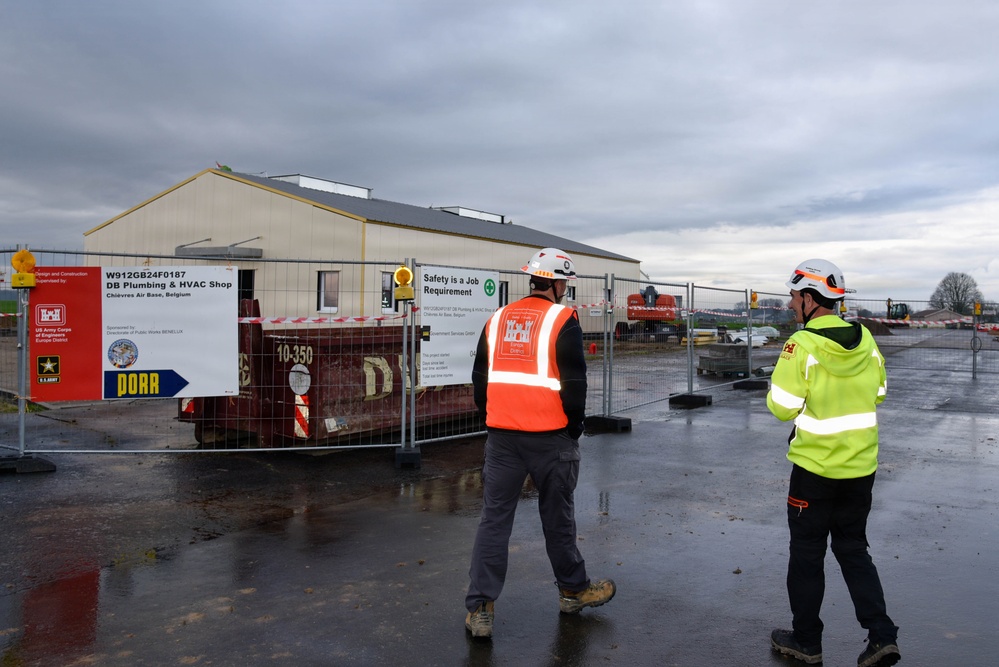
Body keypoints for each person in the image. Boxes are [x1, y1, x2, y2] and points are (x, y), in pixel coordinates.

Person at [464, 247, 616, 639]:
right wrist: (574, 427)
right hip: (550, 439)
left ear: (533, 280)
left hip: (502, 437)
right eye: (566, 282)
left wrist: (492, 415)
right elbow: (575, 383)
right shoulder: (563, 318)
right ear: (558, 283)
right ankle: (573, 591)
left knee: (494, 521)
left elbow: (479, 376)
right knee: (558, 517)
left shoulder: (498, 318)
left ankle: (480, 609)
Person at [767, 259, 900, 667]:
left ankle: (807, 641)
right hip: (860, 470)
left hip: (814, 473)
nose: (791, 304)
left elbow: (781, 407)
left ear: (809, 299)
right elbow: (879, 393)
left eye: (793, 296)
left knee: (807, 555)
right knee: (854, 550)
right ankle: (881, 637)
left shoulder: (801, 345)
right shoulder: (867, 341)